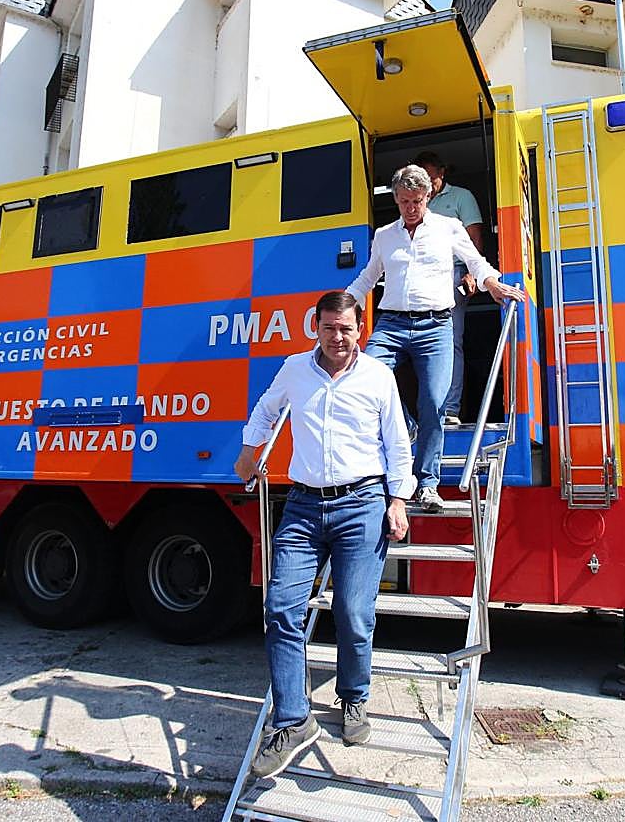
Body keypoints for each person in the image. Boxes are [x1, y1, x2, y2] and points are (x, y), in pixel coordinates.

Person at [234, 290, 415, 779]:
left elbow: (397, 443)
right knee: (279, 608)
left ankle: (354, 697)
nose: (339, 337)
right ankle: (293, 719)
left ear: (361, 330)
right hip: (304, 506)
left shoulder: (378, 376)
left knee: (353, 613)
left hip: (362, 505)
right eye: (330, 327)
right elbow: (266, 411)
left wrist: (397, 500)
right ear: (316, 326)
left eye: (347, 328)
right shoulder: (295, 368)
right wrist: (250, 454)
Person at [346, 165, 523, 512]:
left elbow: (475, 260)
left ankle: (426, 483)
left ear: (429, 196)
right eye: (404, 201)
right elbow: (368, 276)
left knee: (435, 403)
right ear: (395, 199)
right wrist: (342, 306)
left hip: (436, 325)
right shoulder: (384, 235)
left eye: (417, 200)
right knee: (364, 377)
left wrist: (491, 283)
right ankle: (406, 425)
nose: (411, 208)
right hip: (393, 323)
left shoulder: (448, 227)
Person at [415, 151, 485, 426]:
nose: (425, 183)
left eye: (429, 177)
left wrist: (471, 272)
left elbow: (475, 236)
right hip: (421, 276)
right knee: (419, 344)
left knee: (450, 341)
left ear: (441, 174)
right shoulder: (416, 202)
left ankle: (450, 409)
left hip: (452, 272)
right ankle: (427, 410)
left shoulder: (461, 197)